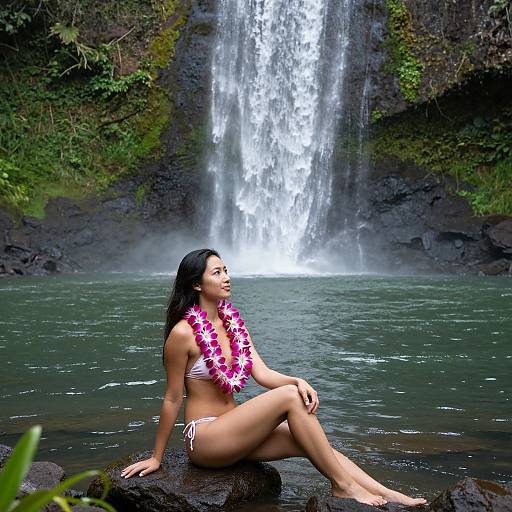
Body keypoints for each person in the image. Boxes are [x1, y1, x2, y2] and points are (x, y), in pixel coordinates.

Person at [121, 248, 427, 507]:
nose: (226, 277)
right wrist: (157, 457)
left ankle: (387, 493)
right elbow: (173, 397)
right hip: (205, 439)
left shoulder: (234, 324)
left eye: (226, 270)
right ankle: (344, 487)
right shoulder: (183, 334)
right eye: (216, 273)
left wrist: (297, 379)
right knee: (291, 400)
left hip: (237, 431)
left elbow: (263, 374)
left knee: (307, 439)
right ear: (197, 284)